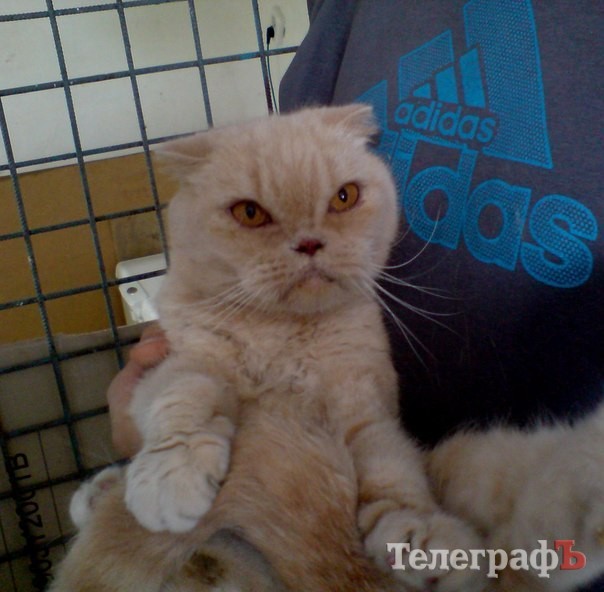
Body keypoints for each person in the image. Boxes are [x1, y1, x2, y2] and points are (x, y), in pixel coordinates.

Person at [108, 1, 603, 589]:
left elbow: (364, 426)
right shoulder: (351, 14)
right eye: (252, 214)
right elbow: (196, 370)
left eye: (342, 200)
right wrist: (172, 429)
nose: (309, 243)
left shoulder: (351, 316)